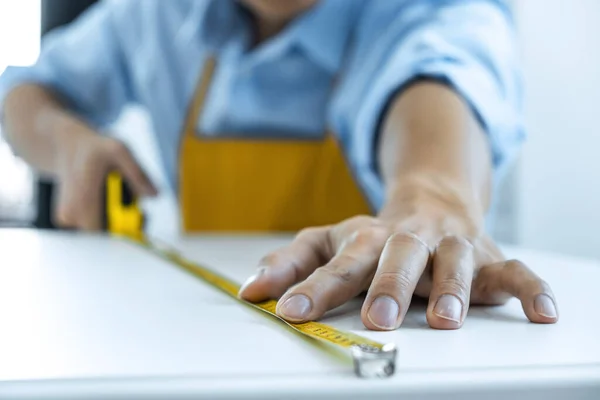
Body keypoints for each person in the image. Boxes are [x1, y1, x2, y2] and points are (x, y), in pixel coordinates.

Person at [0, 0, 558, 331]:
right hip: (201, 334)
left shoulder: (436, 14)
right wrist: (65, 139)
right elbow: (22, 91)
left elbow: (439, 95)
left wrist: (433, 203)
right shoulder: (154, 15)